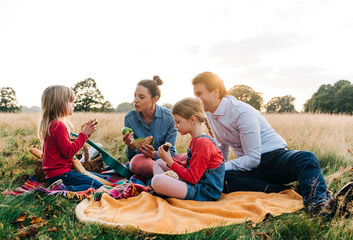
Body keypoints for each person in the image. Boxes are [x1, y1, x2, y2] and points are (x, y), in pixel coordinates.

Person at [191, 71, 353, 212]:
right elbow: (223, 146)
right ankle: (288, 190)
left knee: (305, 157)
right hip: (252, 167)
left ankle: (320, 205)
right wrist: (219, 170)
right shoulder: (210, 114)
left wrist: (219, 167)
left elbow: (253, 158)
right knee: (223, 179)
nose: (196, 99)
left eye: (199, 94)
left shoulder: (241, 112)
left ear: (215, 92)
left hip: (274, 158)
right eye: (195, 94)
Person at [151, 97, 225, 201]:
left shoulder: (203, 143)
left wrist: (170, 161)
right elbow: (188, 166)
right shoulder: (194, 139)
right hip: (195, 183)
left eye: (178, 122)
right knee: (158, 162)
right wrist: (167, 160)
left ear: (192, 119)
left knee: (157, 180)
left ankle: (164, 188)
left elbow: (192, 178)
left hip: (204, 191)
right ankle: (166, 188)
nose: (175, 126)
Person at [38, 85, 104, 192]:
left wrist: (84, 134)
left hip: (55, 176)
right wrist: (83, 135)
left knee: (100, 178)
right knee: (99, 186)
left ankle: (61, 188)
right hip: (62, 175)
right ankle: (62, 190)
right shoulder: (58, 125)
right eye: (70, 101)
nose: (74, 105)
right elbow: (69, 152)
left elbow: (65, 150)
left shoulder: (52, 125)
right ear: (59, 103)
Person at [123, 75, 178, 180]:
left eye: (141, 97)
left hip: (166, 161)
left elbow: (172, 152)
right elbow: (132, 156)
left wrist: (154, 154)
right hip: (143, 162)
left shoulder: (169, 118)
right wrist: (130, 146)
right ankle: (170, 177)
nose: (135, 100)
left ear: (155, 99)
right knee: (135, 162)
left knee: (186, 157)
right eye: (135, 96)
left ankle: (163, 178)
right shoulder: (129, 118)